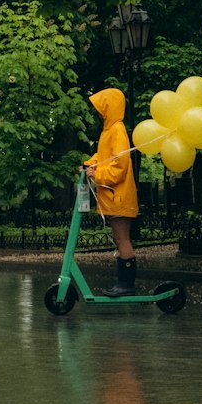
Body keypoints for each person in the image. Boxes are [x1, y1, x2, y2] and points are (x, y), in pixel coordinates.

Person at [85, 87, 139, 296]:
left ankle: (126, 285)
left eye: (102, 107)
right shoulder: (108, 130)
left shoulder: (117, 129)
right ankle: (124, 283)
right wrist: (88, 165)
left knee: (122, 238)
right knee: (119, 238)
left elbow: (119, 164)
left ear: (110, 107)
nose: (99, 112)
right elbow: (103, 156)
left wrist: (97, 175)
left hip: (119, 195)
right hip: (113, 195)